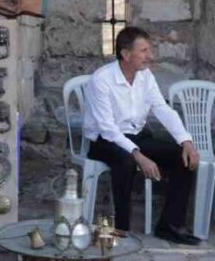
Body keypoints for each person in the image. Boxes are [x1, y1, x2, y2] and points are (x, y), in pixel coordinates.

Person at [85, 27, 201, 245]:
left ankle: (170, 226)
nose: (151, 56)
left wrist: (187, 141)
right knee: (126, 161)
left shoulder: (145, 76)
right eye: (144, 50)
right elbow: (108, 128)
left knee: (181, 157)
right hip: (104, 140)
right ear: (126, 54)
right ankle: (121, 229)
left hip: (136, 135)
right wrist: (138, 155)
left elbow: (162, 108)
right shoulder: (101, 79)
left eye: (150, 49)